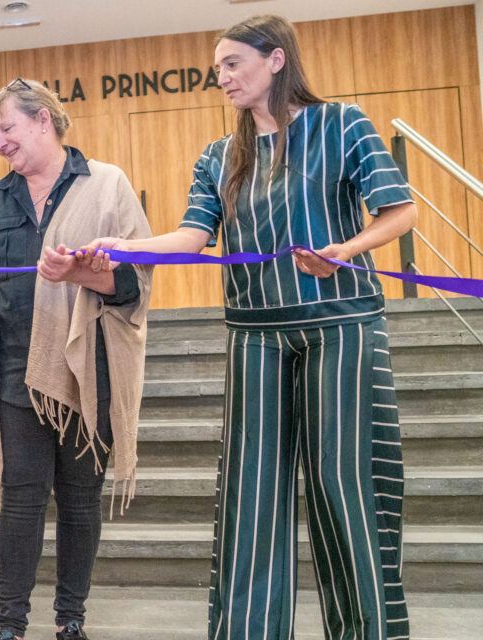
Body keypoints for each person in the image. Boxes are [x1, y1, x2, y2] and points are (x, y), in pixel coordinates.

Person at [81, 15, 417, 640]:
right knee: (251, 494)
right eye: (218, 70)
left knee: (342, 484)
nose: (223, 78)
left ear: (277, 60)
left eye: (233, 64)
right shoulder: (219, 156)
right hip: (254, 333)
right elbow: (191, 239)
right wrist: (124, 247)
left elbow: (400, 211)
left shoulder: (343, 124)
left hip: (341, 324)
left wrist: (346, 249)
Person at [0, 79, 152, 640]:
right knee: (20, 503)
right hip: (14, 374)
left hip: (91, 375)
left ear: (44, 120)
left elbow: (135, 283)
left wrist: (86, 273)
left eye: (7, 128)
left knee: (81, 500)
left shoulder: (107, 184)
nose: (0, 143)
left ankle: (71, 620)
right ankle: (10, 625)